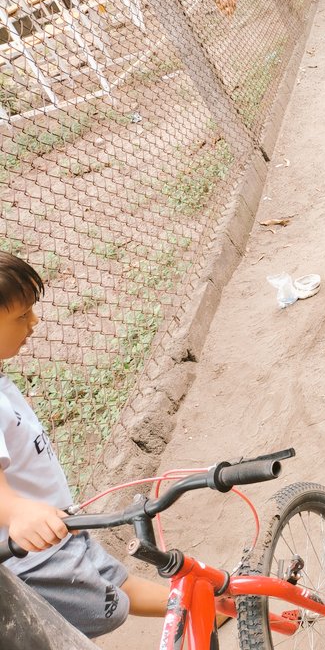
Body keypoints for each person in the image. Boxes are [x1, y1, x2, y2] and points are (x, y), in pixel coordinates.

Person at [0, 252, 168, 638]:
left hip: (58, 530)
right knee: (97, 614)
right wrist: (19, 511)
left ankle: (205, 607)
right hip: (32, 553)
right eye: (21, 316)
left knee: (115, 583)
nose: (34, 322)